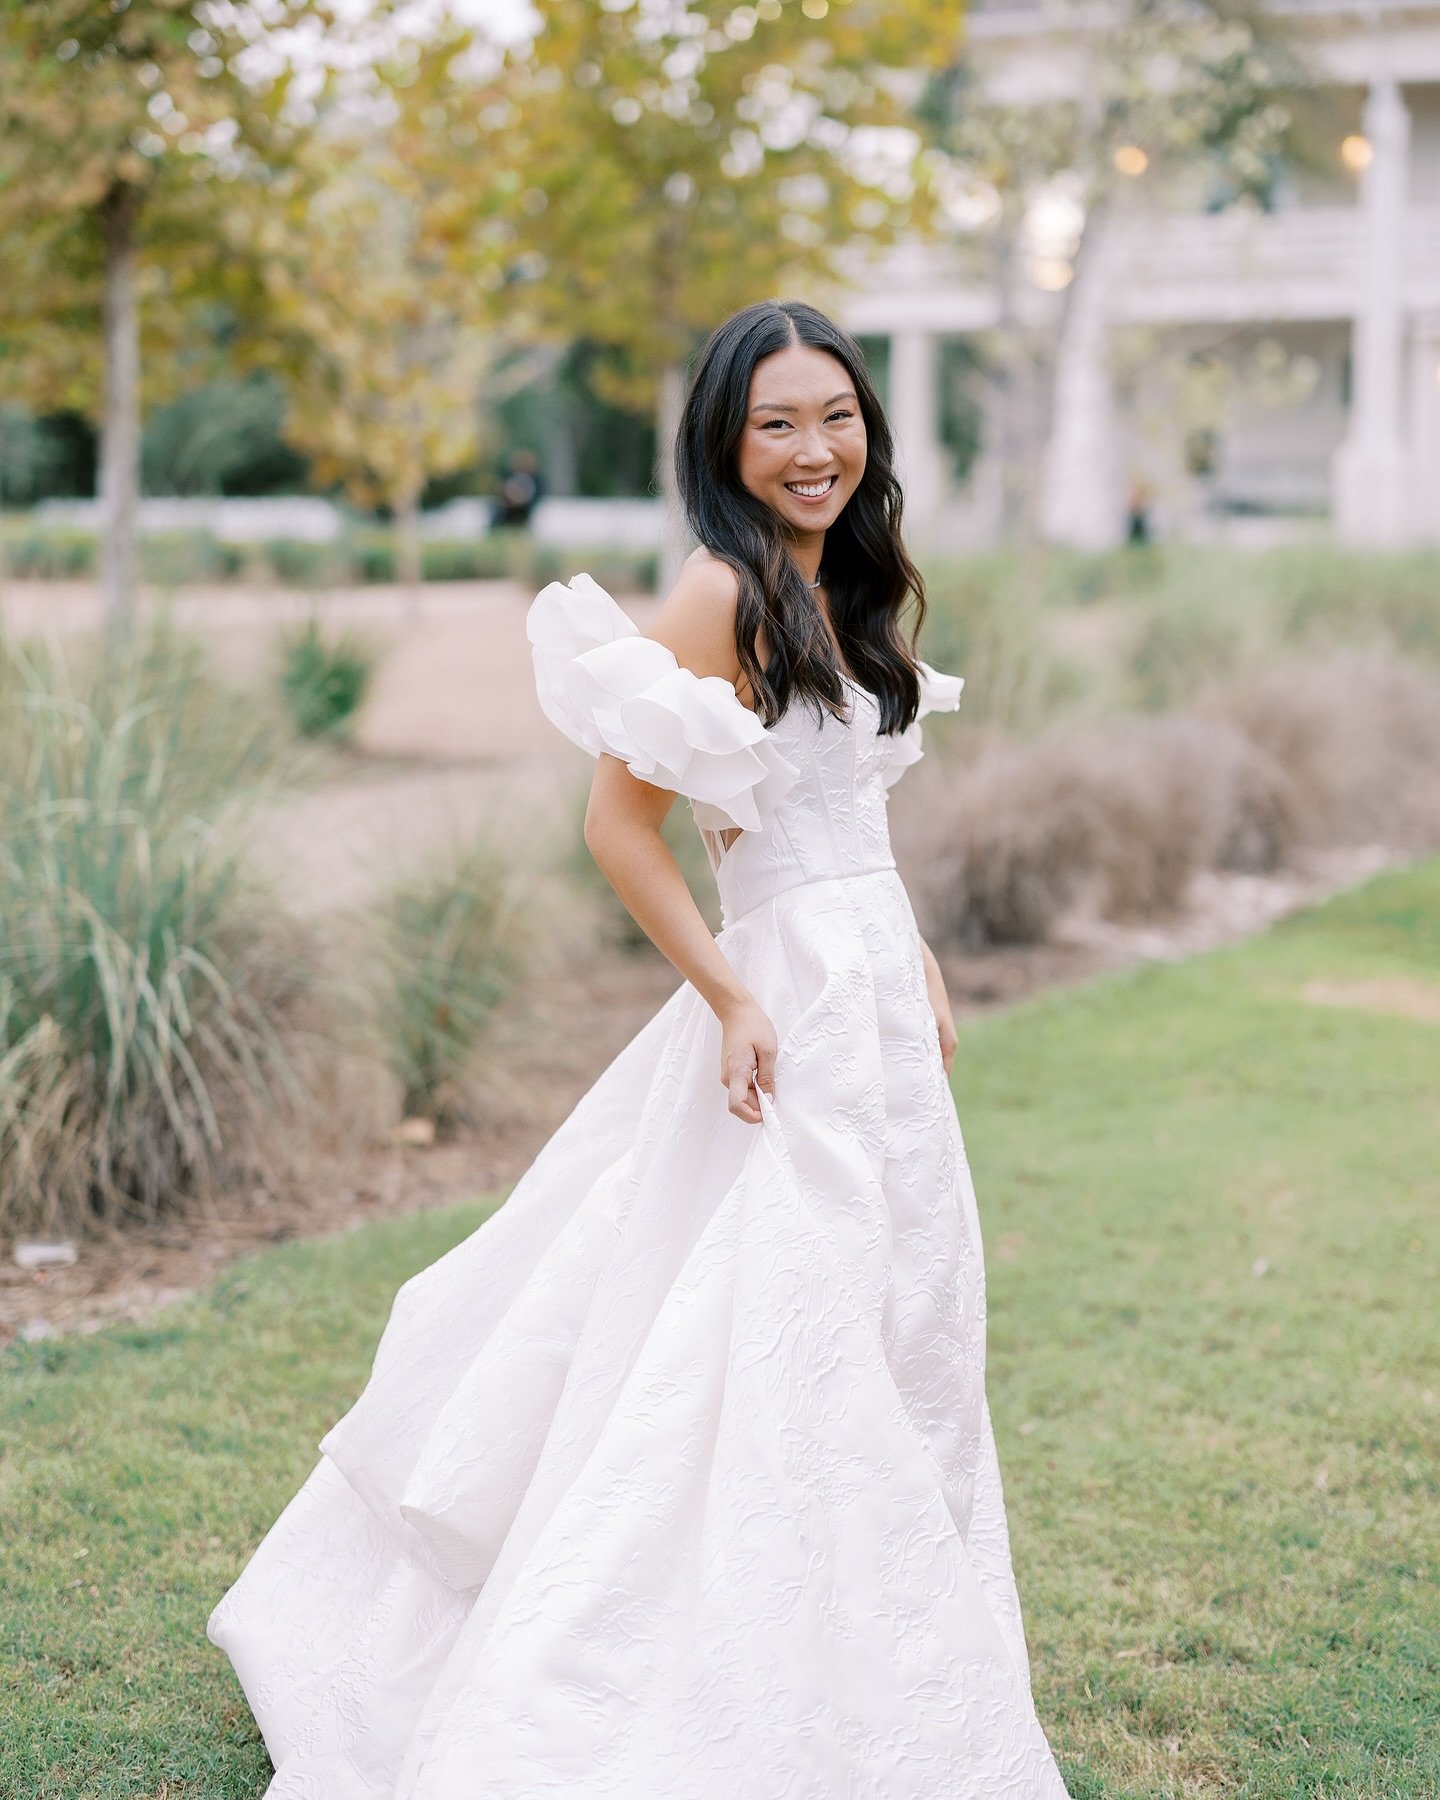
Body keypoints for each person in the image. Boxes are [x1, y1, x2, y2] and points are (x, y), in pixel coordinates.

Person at [208, 299, 1070, 1797]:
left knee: (889, 1320)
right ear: (728, 444)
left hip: (869, 999)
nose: (816, 449)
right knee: (759, 1340)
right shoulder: (717, 592)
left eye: (838, 416)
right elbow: (621, 827)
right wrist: (735, 995)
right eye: (779, 424)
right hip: (785, 1009)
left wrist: (910, 939)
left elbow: (841, 808)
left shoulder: (843, 585)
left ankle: (858, 1662)